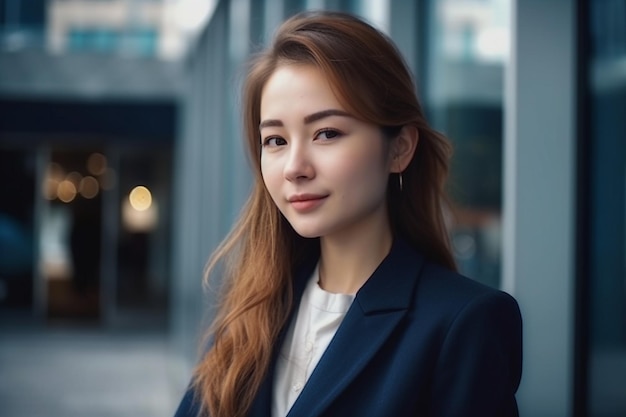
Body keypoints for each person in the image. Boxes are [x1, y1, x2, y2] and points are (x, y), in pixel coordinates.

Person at [174, 10, 522, 417]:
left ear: (400, 148)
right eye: (275, 140)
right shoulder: (252, 310)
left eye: (327, 133)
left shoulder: (462, 325)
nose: (294, 167)